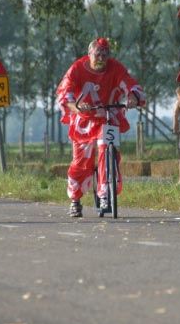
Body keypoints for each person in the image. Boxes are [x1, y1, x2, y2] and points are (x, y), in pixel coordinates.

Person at [56, 37, 145, 217]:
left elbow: (129, 83)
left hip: (107, 116)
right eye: (98, 54)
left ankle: (105, 194)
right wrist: (77, 107)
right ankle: (75, 200)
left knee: (107, 148)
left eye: (105, 54)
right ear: (89, 54)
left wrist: (132, 98)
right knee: (81, 163)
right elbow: (66, 94)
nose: (102, 58)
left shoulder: (116, 67)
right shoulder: (77, 68)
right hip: (84, 121)